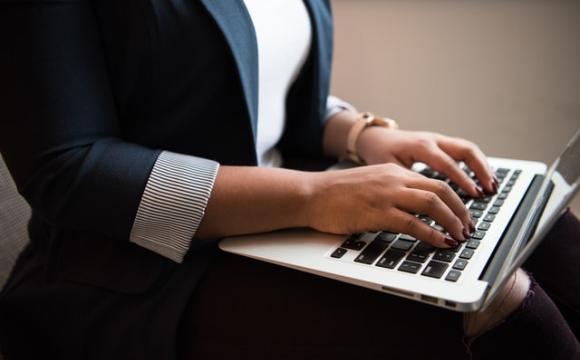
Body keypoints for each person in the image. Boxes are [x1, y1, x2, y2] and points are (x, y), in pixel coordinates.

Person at [0, 0, 578, 359]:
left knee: (545, 233)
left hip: (286, 225)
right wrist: (315, 195)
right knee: (508, 308)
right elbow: (67, 168)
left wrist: (364, 135)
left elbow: (256, 85)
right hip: (134, 273)